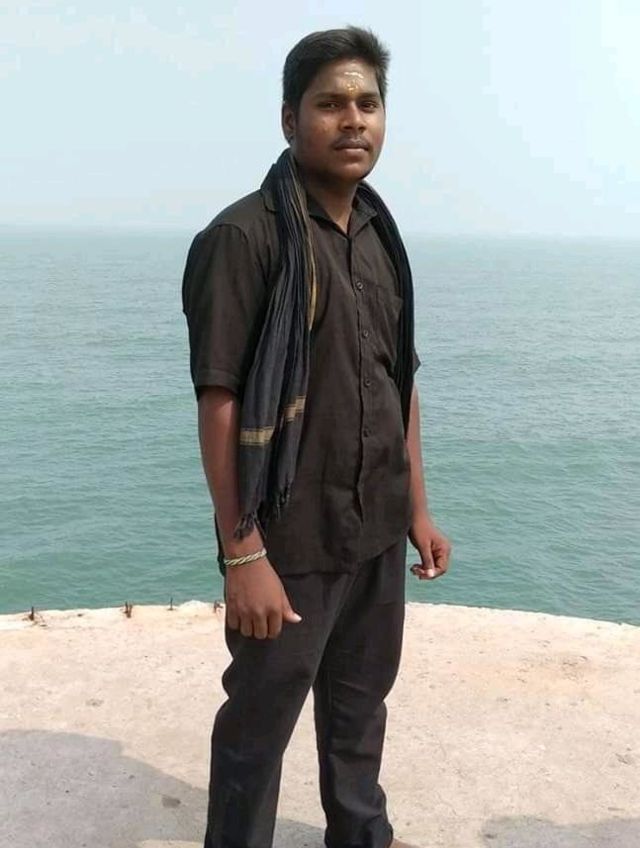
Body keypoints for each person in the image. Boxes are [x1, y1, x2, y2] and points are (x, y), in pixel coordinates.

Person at [182, 25, 452, 848]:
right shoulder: (244, 238)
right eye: (331, 103)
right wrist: (244, 556)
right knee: (258, 725)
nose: (353, 120)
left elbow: (398, 383)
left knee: (361, 705)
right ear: (289, 119)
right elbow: (220, 401)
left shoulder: (378, 233)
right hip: (289, 536)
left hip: (375, 526)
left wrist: (418, 509)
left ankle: (361, 835)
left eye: (368, 103)